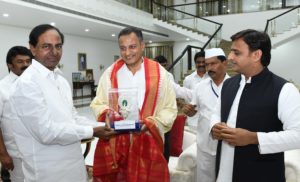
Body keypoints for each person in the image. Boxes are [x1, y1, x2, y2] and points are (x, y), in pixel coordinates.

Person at [8, 24, 116, 182]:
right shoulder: (27, 84)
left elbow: (73, 117)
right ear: (32, 48)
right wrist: (92, 131)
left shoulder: (60, 79)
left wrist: (102, 125)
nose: (54, 52)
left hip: (73, 165)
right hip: (47, 172)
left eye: (58, 46)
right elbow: (46, 132)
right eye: (46, 46)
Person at [210, 29, 300, 182]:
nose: (230, 57)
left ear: (256, 55)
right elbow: (216, 113)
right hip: (224, 171)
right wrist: (214, 127)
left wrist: (254, 138)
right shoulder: (228, 84)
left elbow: (297, 135)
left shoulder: (284, 89)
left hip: (262, 173)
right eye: (231, 52)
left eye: (236, 53)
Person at [90, 27, 177, 182]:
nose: (127, 53)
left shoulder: (160, 74)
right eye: (123, 48)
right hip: (118, 144)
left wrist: (151, 123)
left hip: (148, 142)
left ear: (142, 46)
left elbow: (169, 109)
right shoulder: (111, 73)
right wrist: (110, 116)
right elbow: (98, 103)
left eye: (132, 47)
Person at [182, 48, 229, 182]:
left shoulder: (235, 85)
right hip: (205, 143)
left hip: (227, 143)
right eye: (207, 64)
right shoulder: (200, 87)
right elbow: (194, 110)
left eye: (213, 63)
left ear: (224, 63)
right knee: (204, 178)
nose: (209, 68)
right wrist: (189, 111)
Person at [0, 46, 32, 182]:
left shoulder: (33, 85)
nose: (25, 65)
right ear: (9, 65)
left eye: (28, 61)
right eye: (20, 61)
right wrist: (3, 154)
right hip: (15, 154)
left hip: (35, 150)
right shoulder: (2, 88)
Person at [183, 51, 209, 129]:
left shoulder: (212, 78)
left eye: (203, 62)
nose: (201, 64)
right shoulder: (188, 79)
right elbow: (186, 99)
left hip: (209, 120)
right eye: (198, 62)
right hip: (193, 120)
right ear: (195, 63)